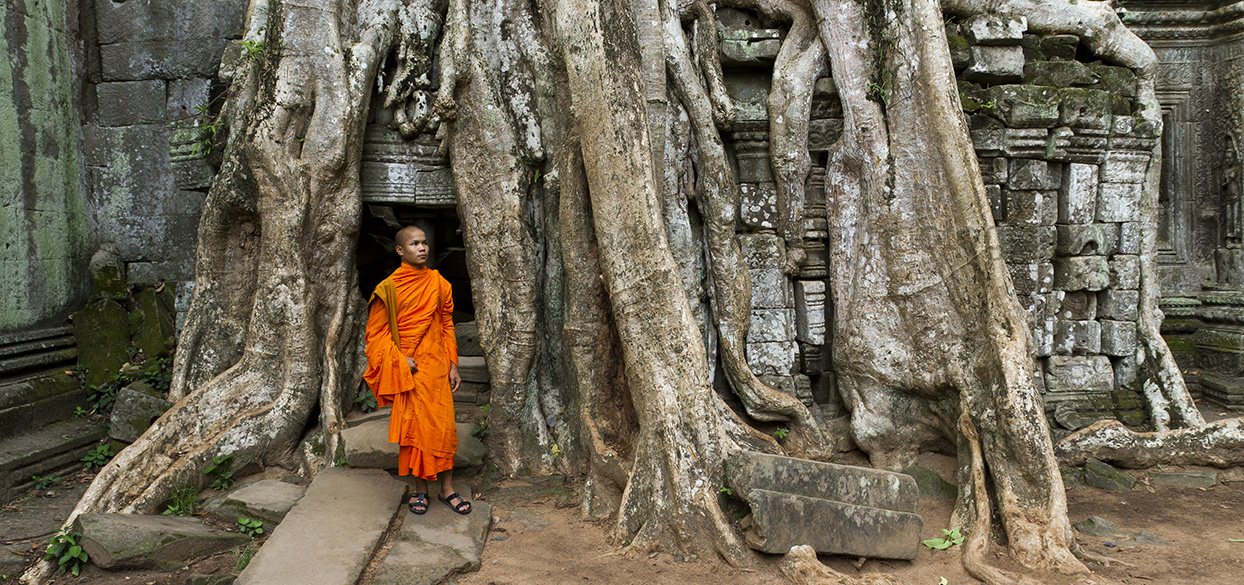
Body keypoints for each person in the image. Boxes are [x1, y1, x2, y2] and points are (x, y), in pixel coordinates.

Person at [364, 226, 470, 515]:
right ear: (401, 251)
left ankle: (447, 489)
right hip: (409, 370)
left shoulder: (439, 284)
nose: (422, 248)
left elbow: (447, 325)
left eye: (424, 243)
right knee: (415, 431)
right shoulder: (388, 288)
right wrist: (398, 359)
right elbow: (375, 335)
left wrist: (452, 364)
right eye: (414, 244)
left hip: (437, 367)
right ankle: (420, 491)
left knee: (444, 430)